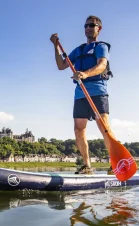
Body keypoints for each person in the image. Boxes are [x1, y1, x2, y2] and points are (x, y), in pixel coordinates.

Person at [50, 15, 114, 175]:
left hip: (98, 91)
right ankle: (87, 166)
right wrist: (55, 47)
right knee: (79, 129)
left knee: (104, 128)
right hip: (80, 94)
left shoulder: (101, 46)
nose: (88, 28)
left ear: (99, 28)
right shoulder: (78, 50)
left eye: (92, 25)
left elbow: (102, 65)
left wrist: (85, 74)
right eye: (86, 25)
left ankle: (115, 164)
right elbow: (61, 65)